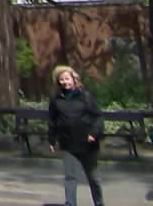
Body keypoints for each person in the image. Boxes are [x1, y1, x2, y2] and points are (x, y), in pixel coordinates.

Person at [48, 64, 104, 206]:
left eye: (67, 79)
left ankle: (99, 203)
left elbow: (98, 117)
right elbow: (53, 121)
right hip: (68, 143)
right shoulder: (56, 99)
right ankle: (70, 203)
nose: (64, 82)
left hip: (87, 143)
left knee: (93, 178)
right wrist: (52, 140)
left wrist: (93, 134)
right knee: (70, 177)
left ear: (74, 79)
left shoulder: (85, 96)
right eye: (61, 80)